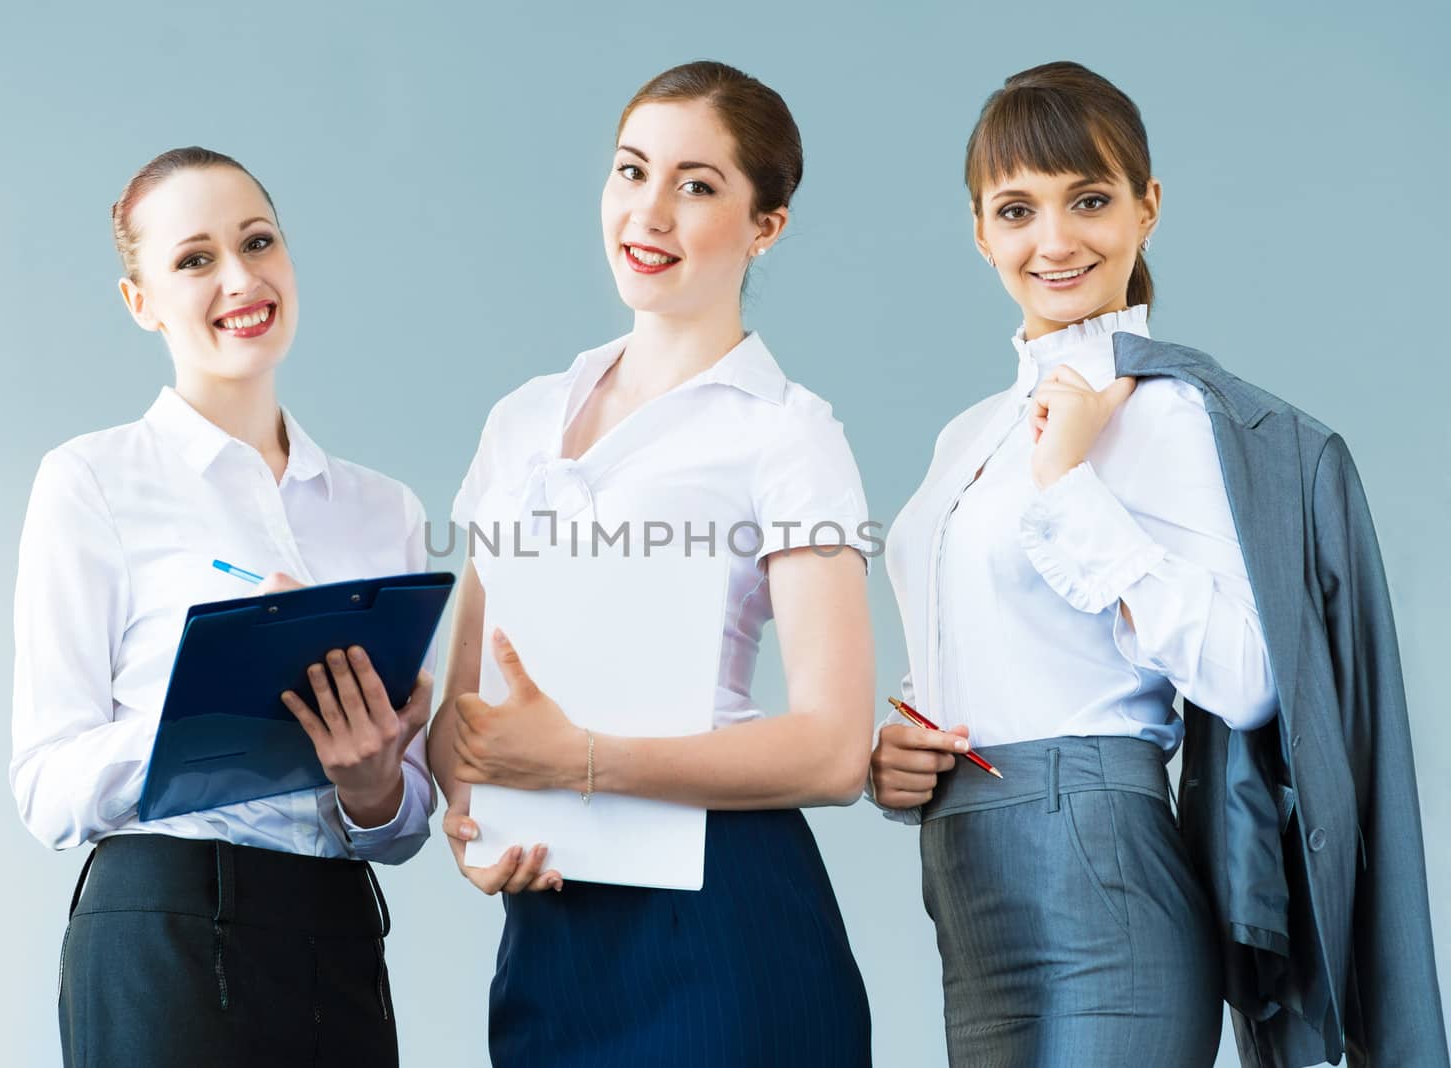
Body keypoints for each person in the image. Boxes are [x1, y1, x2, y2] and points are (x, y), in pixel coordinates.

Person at [428, 61, 875, 1066]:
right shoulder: (522, 419)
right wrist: (474, 822)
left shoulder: (787, 435)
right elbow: (463, 710)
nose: (651, 211)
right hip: (553, 929)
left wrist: (585, 763)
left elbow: (836, 748)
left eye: (698, 184)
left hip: (725, 914)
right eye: (632, 172)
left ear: (768, 225)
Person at [869, 62, 1272, 1063]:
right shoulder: (966, 435)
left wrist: (1066, 482)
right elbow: (976, 653)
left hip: (1099, 860)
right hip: (965, 869)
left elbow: (1248, 678)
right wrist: (899, 754)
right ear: (979, 231)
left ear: (1147, 207)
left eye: (1087, 199)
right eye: (1016, 209)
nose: (1053, 240)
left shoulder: (1168, 412)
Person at [10, 147, 433, 1067]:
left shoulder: (384, 509)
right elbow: (46, 787)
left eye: (258, 242)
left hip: (338, 933)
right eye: (195, 259)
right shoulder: (92, 480)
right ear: (142, 302)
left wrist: (373, 786)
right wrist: (216, 698)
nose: (240, 277)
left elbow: (402, 826)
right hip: (162, 924)